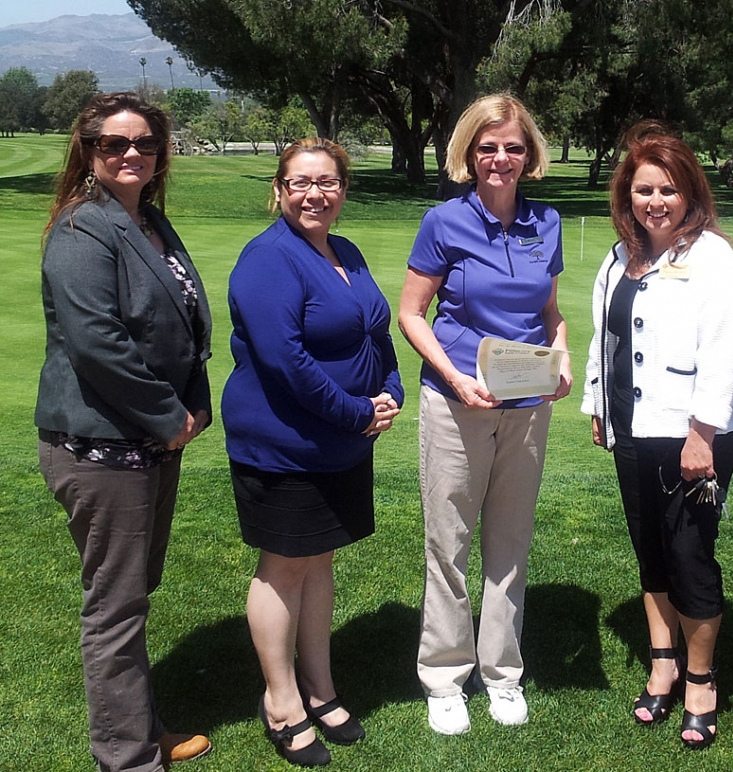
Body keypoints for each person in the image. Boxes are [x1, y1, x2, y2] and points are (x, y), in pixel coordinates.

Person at [36, 91, 213, 772]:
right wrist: (172, 419)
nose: (132, 153)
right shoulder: (84, 229)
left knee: (132, 596)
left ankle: (138, 728)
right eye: (114, 143)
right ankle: (127, 758)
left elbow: (186, 325)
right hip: (100, 450)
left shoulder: (150, 222)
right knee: (114, 610)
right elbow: (97, 344)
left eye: (144, 143)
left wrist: (193, 401)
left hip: (143, 446)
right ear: (88, 151)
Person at [222, 137, 403, 768]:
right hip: (285, 446)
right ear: (279, 189)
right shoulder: (268, 259)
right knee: (284, 566)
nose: (314, 195)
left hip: (341, 444)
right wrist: (358, 412)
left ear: (343, 192)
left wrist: (391, 387)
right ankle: (281, 700)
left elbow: (374, 329)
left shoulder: (344, 252)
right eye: (300, 182)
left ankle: (321, 687)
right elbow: (286, 363)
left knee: (320, 562)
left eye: (327, 183)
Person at [398, 94, 571, 735]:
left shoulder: (546, 221)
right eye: (489, 147)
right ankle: (445, 676)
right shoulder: (444, 221)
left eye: (514, 147)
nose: (501, 158)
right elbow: (412, 312)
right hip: (456, 403)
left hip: (527, 406)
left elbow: (549, 312)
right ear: (470, 154)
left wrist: (563, 356)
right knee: (449, 542)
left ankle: (502, 673)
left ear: (530, 155)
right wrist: (453, 376)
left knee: (510, 542)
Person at [581, 122, 733, 750]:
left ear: (689, 194)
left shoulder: (711, 257)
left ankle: (701, 679)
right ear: (627, 194)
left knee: (690, 555)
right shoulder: (618, 256)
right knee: (650, 549)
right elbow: (606, 336)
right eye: (643, 189)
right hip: (632, 430)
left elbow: (727, 353)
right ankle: (663, 660)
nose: (655, 201)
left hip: (691, 436)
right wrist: (597, 403)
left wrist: (701, 434)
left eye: (668, 190)